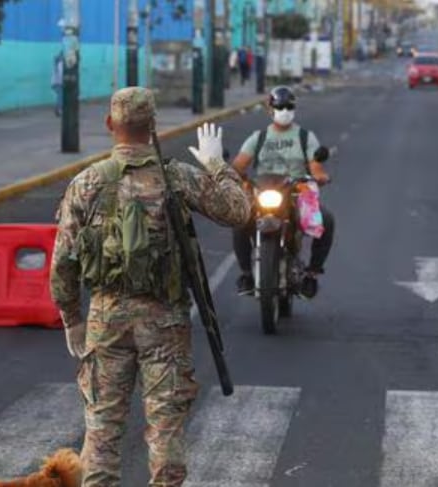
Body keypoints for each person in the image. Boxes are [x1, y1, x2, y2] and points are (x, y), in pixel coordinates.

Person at [49, 87, 251, 486]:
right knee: (165, 427)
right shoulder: (176, 177)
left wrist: (71, 317)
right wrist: (216, 164)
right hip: (165, 320)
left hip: (106, 319)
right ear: (154, 126)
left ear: (110, 125)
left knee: (103, 427)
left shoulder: (87, 183)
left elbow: (63, 262)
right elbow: (238, 211)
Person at [230, 85, 334, 298]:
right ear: (270, 109)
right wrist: (231, 176)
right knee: (238, 220)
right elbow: (238, 165)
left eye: (289, 106)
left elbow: (316, 167)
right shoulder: (258, 138)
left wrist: (320, 176)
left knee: (327, 220)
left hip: (297, 193)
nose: (284, 110)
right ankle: (247, 274)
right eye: (280, 106)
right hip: (263, 190)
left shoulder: (305, 137)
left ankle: (311, 275)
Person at [52, 52, 64, 117]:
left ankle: (58, 109)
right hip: (59, 83)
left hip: (56, 82)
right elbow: (61, 74)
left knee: (60, 96)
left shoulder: (57, 64)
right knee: (61, 97)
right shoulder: (60, 64)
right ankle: (59, 110)